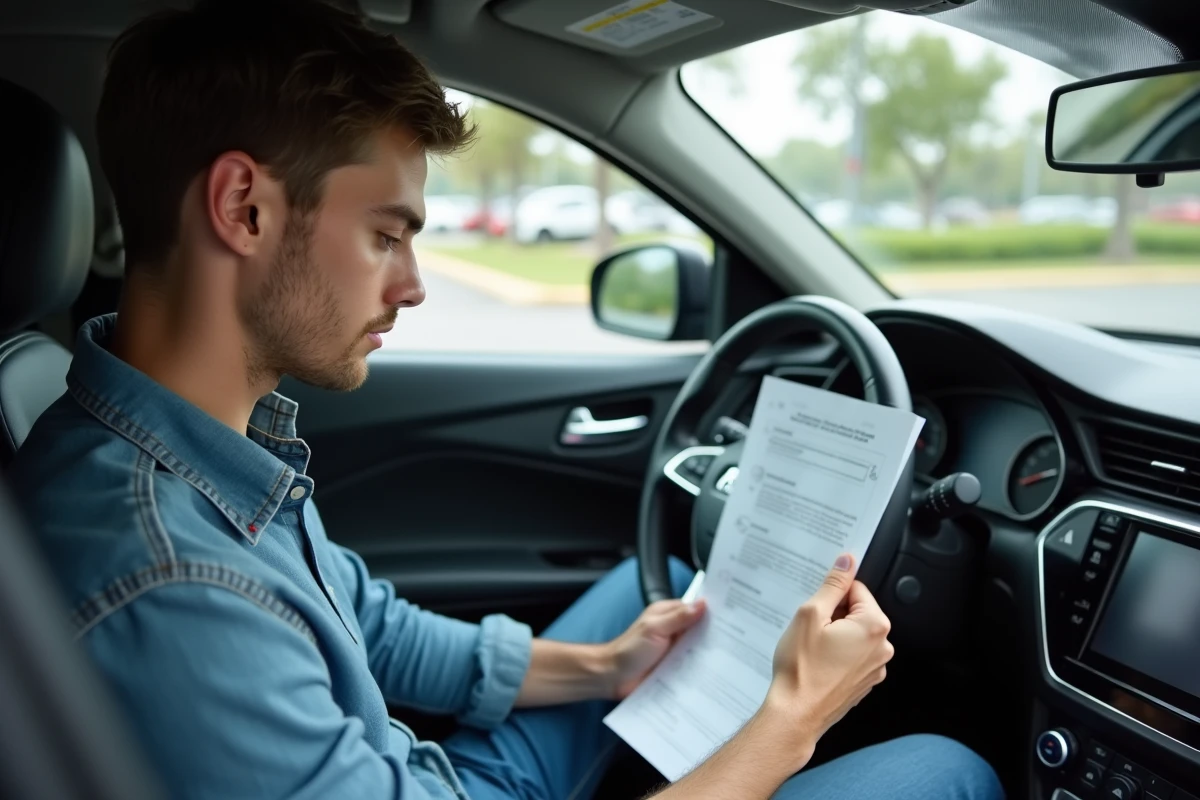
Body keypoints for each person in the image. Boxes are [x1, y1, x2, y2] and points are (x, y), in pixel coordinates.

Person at [9, 1, 1005, 798]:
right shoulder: (174, 581)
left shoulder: (182, 437)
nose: (412, 284)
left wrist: (606, 663)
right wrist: (791, 720)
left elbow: (370, 623)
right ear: (245, 208)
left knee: (651, 591)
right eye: (387, 234)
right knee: (949, 771)